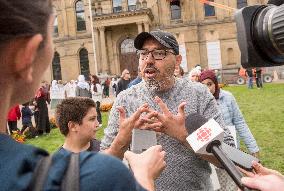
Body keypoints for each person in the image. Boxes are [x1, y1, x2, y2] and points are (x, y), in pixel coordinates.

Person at [0, 1, 166, 190]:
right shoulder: (99, 175)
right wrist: (144, 175)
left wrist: (118, 143)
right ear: (26, 56)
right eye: (51, 38)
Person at [101, 30, 235, 191]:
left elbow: (228, 157)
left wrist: (184, 136)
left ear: (178, 60)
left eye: (159, 53)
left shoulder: (198, 94)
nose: (149, 60)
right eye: (143, 54)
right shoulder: (126, 99)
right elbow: (103, 169)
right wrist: (121, 141)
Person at [199, 70, 260, 191]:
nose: (207, 88)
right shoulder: (199, 101)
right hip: (212, 152)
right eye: (203, 85)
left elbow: (240, 122)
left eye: (209, 84)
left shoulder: (227, 97)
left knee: (234, 181)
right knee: (217, 184)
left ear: (215, 83)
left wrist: (253, 147)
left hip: (231, 148)